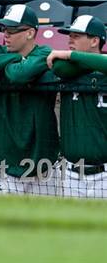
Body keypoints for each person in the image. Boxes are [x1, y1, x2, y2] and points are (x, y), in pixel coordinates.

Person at [0, 4, 59, 195]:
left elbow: (20, 76)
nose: (5, 35)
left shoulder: (44, 52)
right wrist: (13, 59)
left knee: (46, 223)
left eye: (12, 30)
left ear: (30, 33)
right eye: (4, 30)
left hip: (42, 160)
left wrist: (3, 65)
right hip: (4, 159)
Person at [46, 15, 107, 198]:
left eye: (77, 36)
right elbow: (58, 68)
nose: (70, 40)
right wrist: (80, 59)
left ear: (95, 40)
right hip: (71, 173)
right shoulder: (68, 69)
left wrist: (70, 55)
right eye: (69, 35)